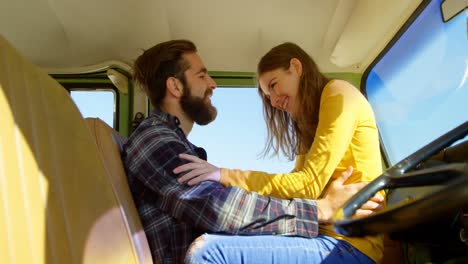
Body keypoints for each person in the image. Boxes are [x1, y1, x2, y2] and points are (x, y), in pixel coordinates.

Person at [123, 39, 382, 264]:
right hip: (331, 236)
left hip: (348, 242)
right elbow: (217, 208)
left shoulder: (336, 95)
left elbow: (304, 185)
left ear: (296, 68)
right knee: (208, 253)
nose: (213, 84)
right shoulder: (156, 141)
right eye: (202, 76)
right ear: (175, 87)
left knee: (211, 251)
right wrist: (320, 210)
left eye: (273, 85)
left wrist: (223, 175)